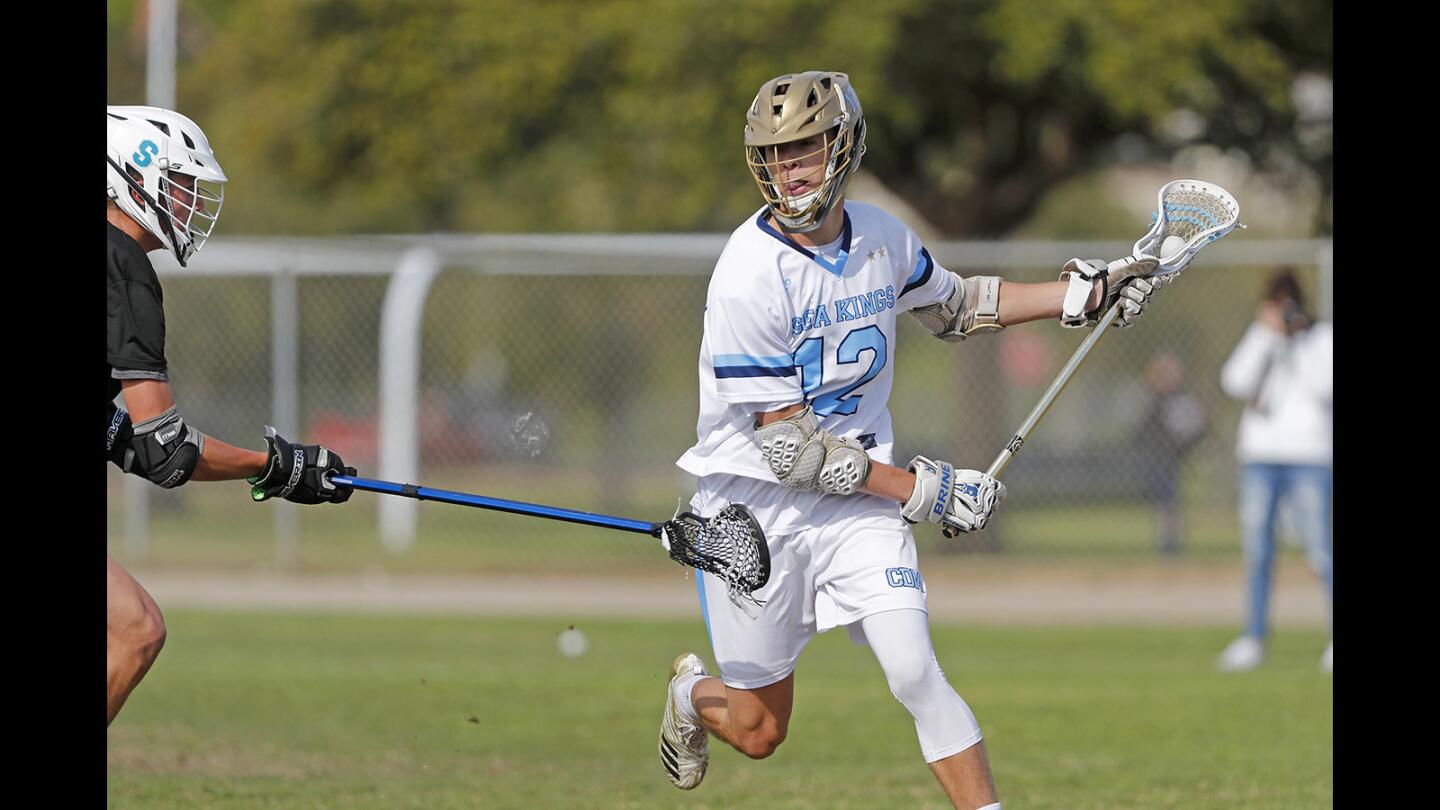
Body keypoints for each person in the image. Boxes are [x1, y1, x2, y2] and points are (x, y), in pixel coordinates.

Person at [658, 72, 1161, 809]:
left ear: (844, 143)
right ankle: (688, 693)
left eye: (805, 146)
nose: (790, 167)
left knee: (915, 670)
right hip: (752, 516)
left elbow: (957, 306)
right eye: (776, 153)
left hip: (857, 504)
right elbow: (792, 453)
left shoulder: (883, 237)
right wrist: (925, 489)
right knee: (761, 731)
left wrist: (1080, 294)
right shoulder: (747, 273)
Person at [106, 106, 356, 726]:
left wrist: (273, 469)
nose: (192, 202)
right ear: (132, 177)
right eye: (183, 184)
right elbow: (167, 452)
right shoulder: (123, 266)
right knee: (134, 630)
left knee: (134, 627)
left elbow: (129, 443)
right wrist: (279, 466)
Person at [1216, 268, 1333, 673]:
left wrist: (1298, 341)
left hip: (1310, 456)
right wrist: (1265, 337)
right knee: (1258, 551)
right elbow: (1233, 382)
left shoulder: (1320, 339)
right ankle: (1253, 637)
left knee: (1322, 550)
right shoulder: (1260, 338)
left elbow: (1326, 386)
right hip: (1260, 456)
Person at [1135, 352, 1207, 557]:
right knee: (1163, 502)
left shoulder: (1181, 398)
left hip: (1173, 457)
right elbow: (1143, 430)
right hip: (1155, 456)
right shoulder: (1154, 399)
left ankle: (1170, 543)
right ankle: (1166, 541)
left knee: (1170, 501)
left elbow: (1191, 429)